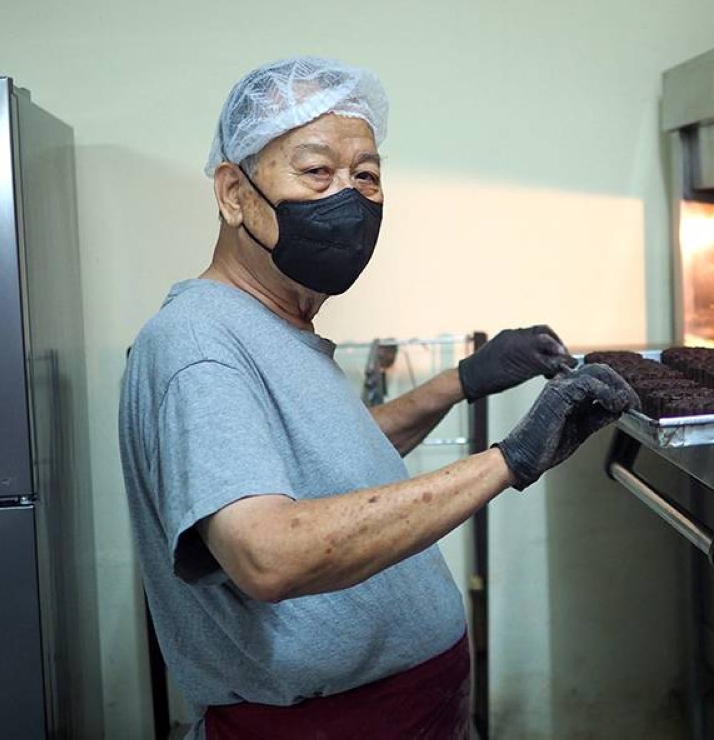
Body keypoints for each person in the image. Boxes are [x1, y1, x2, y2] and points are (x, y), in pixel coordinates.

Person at [119, 56, 637, 740]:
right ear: (233, 193)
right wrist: (509, 458)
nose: (350, 197)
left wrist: (464, 381)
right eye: (315, 172)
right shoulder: (197, 343)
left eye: (366, 174)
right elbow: (268, 552)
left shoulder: (274, 324)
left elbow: (325, 462)